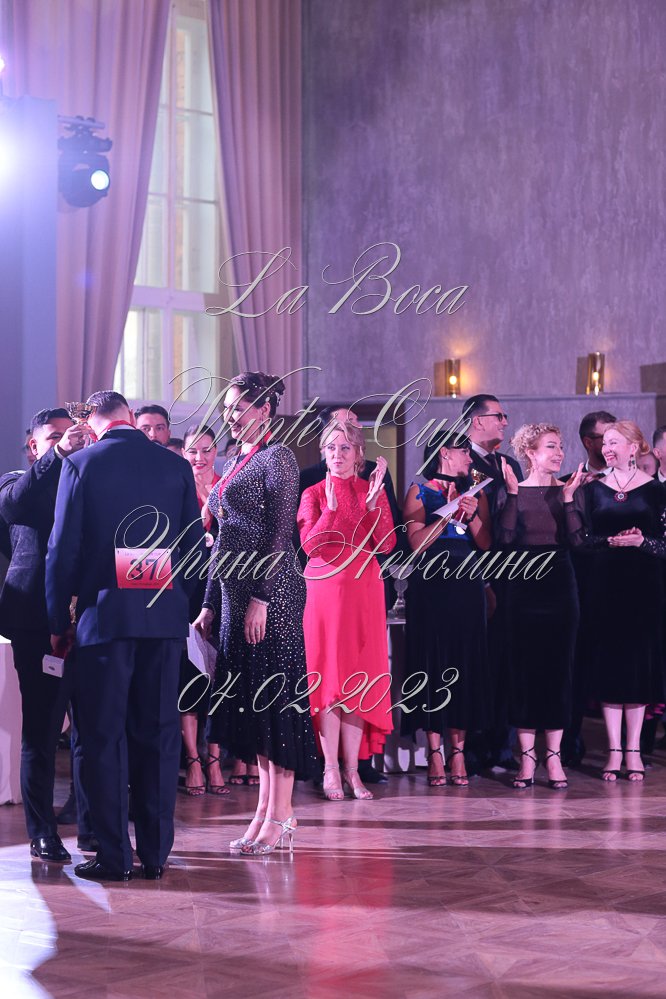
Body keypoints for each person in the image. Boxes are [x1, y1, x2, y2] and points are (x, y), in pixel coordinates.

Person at [47, 391, 204, 881]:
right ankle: (155, 854)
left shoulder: (81, 465)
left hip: (104, 620)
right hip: (162, 619)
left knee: (103, 738)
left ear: (93, 424)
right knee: (159, 734)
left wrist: (58, 622)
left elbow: (62, 551)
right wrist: (177, 603)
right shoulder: (174, 465)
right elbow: (194, 548)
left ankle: (114, 857)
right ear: (131, 418)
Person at [193, 372, 316, 856]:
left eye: (238, 406)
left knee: (274, 703)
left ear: (264, 410)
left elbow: (281, 533)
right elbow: (222, 536)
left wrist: (261, 598)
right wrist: (209, 603)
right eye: (226, 407)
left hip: (272, 593)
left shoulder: (278, 457)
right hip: (233, 593)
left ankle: (281, 814)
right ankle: (264, 811)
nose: (229, 415)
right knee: (254, 707)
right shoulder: (236, 460)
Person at [0, 408, 85, 863]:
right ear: (34, 447)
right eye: (53, 437)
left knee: (94, 728)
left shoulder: (89, 479)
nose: (66, 440)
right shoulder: (16, 483)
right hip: (35, 622)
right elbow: (15, 506)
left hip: (91, 618)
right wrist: (60, 456)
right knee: (41, 728)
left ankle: (92, 824)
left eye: (70, 435)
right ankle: (42, 831)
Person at [297, 420, 395, 801]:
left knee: (359, 680)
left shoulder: (371, 489)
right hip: (324, 592)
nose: (336, 455)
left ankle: (354, 770)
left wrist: (372, 504)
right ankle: (330, 768)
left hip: (364, 590)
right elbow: (310, 546)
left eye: (344, 448)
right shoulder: (313, 492)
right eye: (331, 448)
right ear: (323, 453)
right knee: (329, 681)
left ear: (358, 455)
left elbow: (385, 544)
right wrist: (331, 511)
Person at [565, 421, 666, 782]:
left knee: (636, 668)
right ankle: (613, 751)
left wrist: (642, 542)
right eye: (604, 443)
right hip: (604, 587)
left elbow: (664, 543)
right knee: (609, 667)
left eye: (614, 442)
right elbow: (580, 541)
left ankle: (634, 750)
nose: (607, 448)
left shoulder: (656, 490)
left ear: (634, 447)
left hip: (644, 588)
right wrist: (609, 542)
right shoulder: (594, 489)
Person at [402, 434, 492, 787]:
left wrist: (471, 515)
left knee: (463, 662)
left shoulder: (476, 492)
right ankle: (434, 752)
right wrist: (446, 515)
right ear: (444, 454)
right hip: (431, 586)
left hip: (467, 586)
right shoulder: (419, 491)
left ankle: (459, 751)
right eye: (464, 451)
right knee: (433, 662)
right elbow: (415, 544)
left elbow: (485, 543)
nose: (470, 458)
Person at [498, 424, 580, 790]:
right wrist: (513, 495)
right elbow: (504, 538)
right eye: (551, 446)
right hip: (523, 586)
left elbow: (577, 541)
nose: (560, 452)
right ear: (531, 453)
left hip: (560, 584)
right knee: (524, 671)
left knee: (558, 670)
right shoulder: (514, 490)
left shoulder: (568, 489)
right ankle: (527, 759)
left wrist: (568, 499)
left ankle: (554, 757)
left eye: (561, 446)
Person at [462, 394, 523, 773]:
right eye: (498, 416)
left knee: (505, 659)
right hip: (471, 572)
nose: (504, 422)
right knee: (476, 659)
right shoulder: (458, 460)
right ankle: (471, 745)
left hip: (509, 572)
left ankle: (503, 744)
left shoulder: (509, 464)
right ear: (476, 420)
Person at [177, 424, 229, 796]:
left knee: (220, 676)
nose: (199, 457)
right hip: (186, 589)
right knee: (189, 675)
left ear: (217, 452)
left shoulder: (228, 487)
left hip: (223, 589)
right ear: (184, 453)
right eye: (193, 451)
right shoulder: (176, 487)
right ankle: (193, 759)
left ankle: (214, 758)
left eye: (206, 450)